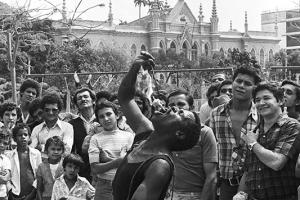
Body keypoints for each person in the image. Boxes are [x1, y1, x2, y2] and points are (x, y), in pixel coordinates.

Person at [113, 53, 201, 200]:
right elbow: (125, 98)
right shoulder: (145, 131)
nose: (171, 108)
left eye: (179, 112)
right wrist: (135, 69)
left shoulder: (159, 166)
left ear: (179, 133)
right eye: (172, 106)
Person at [234, 83, 300, 200]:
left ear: (280, 101)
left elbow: (277, 163)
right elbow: (249, 170)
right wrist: (241, 193)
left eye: (266, 98)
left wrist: (253, 144)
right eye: (257, 100)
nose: (261, 103)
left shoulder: (291, 126)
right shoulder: (254, 132)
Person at [210, 66, 261, 200]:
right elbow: (211, 147)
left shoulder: (261, 115)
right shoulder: (216, 114)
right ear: (233, 82)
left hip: (255, 185)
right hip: (226, 185)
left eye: (247, 83)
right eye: (238, 81)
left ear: (254, 88)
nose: (241, 86)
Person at [166, 90, 218, 200]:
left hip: (195, 195)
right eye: (171, 105)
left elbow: (211, 177)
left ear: (192, 107)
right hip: (167, 194)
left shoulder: (204, 132)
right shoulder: (164, 133)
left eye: (181, 104)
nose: (176, 108)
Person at [89, 101, 134, 200]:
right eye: (101, 116)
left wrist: (107, 159)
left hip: (125, 184)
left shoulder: (129, 136)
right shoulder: (95, 138)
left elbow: (131, 164)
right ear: (98, 121)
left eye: (109, 114)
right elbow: (95, 168)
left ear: (117, 115)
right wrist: (117, 161)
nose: (106, 119)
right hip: (104, 186)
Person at [30, 93, 74, 158]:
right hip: (40, 166)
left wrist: (41, 147)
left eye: (54, 110)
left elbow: (66, 151)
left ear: (59, 111)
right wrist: (57, 147)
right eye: (47, 110)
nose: (50, 113)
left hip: (60, 166)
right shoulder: (36, 129)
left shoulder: (67, 127)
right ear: (43, 111)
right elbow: (32, 151)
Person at [7, 123, 42, 200]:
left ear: (29, 137)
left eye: (25, 135)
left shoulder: (36, 154)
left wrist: (32, 193)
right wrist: (10, 193)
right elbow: (8, 177)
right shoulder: (9, 155)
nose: (23, 137)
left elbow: (39, 176)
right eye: (20, 135)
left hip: (32, 193)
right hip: (15, 193)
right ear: (15, 139)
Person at [69, 88, 97, 181]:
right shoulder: (72, 124)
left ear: (93, 100)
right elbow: (72, 149)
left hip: (103, 166)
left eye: (86, 96)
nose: (83, 99)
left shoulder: (102, 119)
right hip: (82, 170)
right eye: (79, 98)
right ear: (77, 104)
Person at [0, 133, 11, 200]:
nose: (1, 145)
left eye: (5, 143)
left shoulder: (6, 159)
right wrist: (1, 173)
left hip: (2, 195)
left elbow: (5, 179)